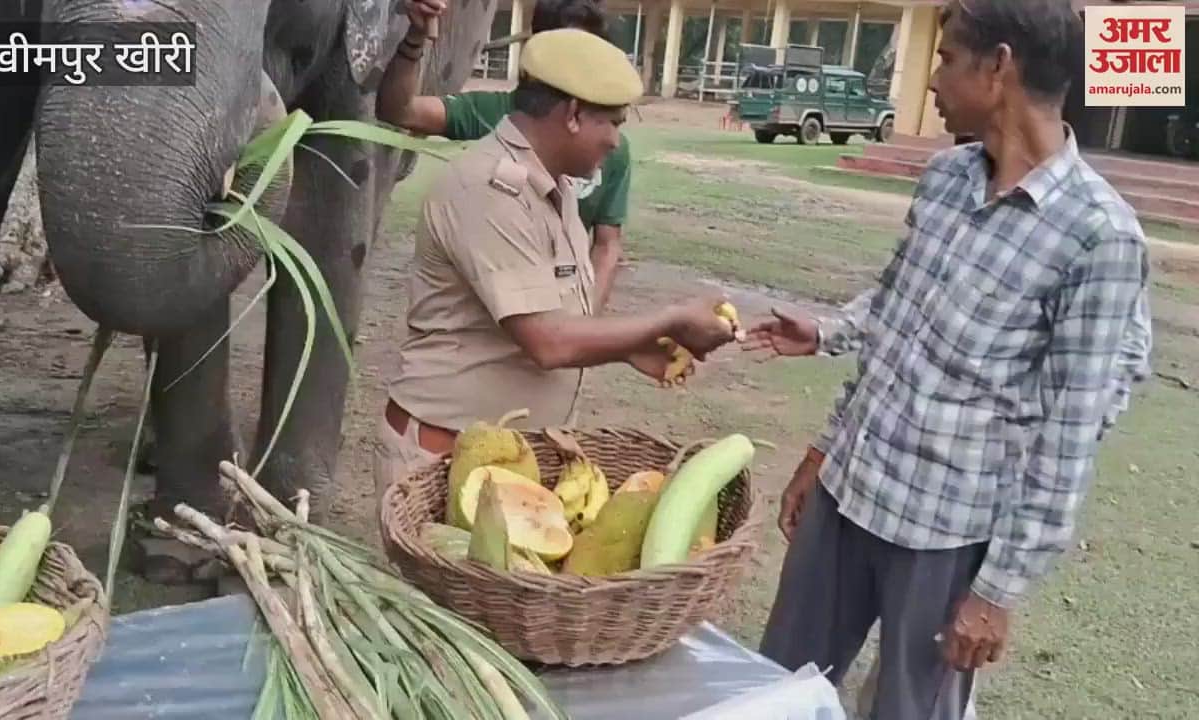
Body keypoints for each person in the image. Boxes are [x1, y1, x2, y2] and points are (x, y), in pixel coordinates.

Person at [748, 2, 1152, 719]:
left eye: (944, 59)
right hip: (851, 495)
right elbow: (899, 311)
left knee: (909, 711)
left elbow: (1068, 439)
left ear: (997, 67)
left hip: (945, 535)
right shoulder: (946, 177)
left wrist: (997, 591)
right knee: (775, 691)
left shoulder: (1099, 236)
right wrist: (824, 436)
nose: (931, 81)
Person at [372, 29, 736, 500]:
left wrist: (628, 348)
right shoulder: (488, 190)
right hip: (446, 459)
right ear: (574, 115)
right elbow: (547, 341)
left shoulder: (553, 188)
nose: (615, 141)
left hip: (502, 459)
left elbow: (558, 324)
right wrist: (668, 319)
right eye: (613, 123)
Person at [377, 0, 631, 312]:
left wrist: (586, 323)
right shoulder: (494, 114)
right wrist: (415, 38)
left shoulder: (608, 148)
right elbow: (399, 110)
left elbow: (607, 245)